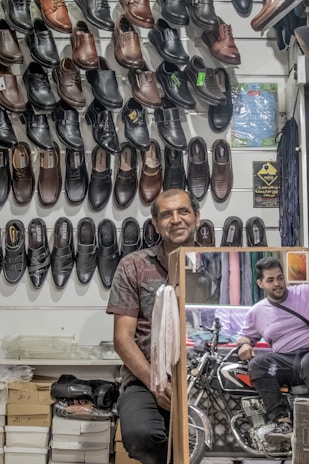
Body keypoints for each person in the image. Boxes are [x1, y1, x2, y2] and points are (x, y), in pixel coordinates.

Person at [106, 188, 200, 464]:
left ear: (197, 217)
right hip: (146, 380)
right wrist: (155, 382)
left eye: (183, 211)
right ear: (156, 224)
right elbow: (123, 339)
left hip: (203, 378)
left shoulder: (218, 263)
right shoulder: (133, 266)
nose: (176, 220)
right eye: (167, 215)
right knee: (141, 435)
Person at [237, 256, 309, 444]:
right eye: (270, 280)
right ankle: (282, 422)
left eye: (280, 278)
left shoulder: (305, 292)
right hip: (284, 362)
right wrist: (244, 344)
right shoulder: (256, 311)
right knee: (258, 364)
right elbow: (245, 336)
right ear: (260, 283)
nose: (277, 284)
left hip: (307, 353)